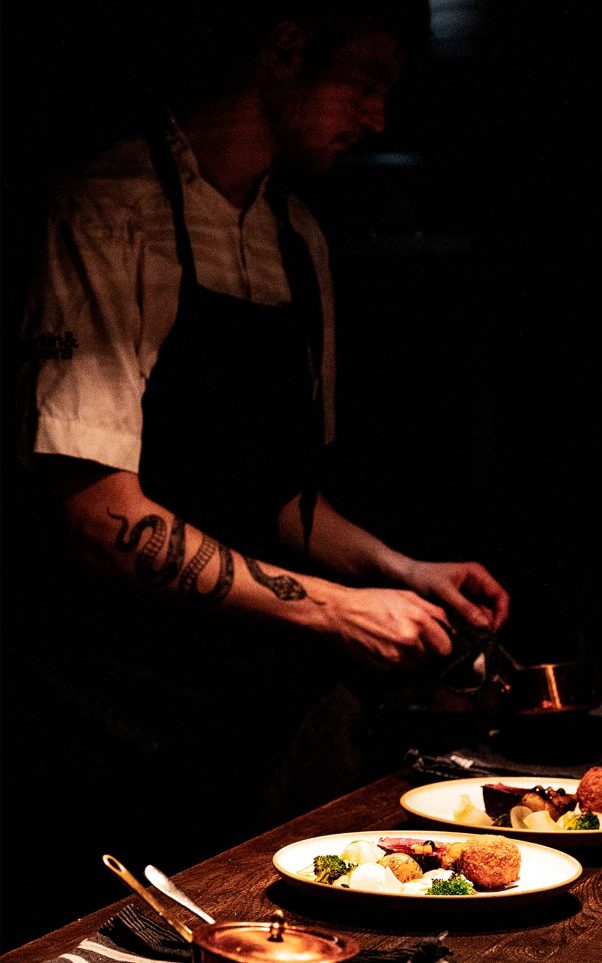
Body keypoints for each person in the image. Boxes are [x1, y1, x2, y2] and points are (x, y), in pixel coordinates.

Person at [4, 0, 509, 944]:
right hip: (108, 714)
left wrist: (397, 570)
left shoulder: (297, 238)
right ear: (283, 50)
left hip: (250, 714)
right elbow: (98, 512)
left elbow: (271, 496)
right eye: (367, 80)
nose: (379, 117)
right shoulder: (111, 207)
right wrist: (330, 606)